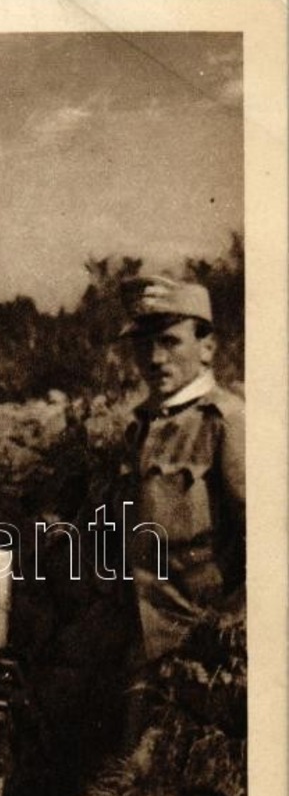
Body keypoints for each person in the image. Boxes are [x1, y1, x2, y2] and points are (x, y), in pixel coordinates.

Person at [117, 275, 246, 663]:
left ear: (207, 347)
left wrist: (228, 632)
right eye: (143, 345)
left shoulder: (225, 423)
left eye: (170, 342)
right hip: (141, 645)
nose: (155, 359)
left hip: (200, 648)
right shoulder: (141, 427)